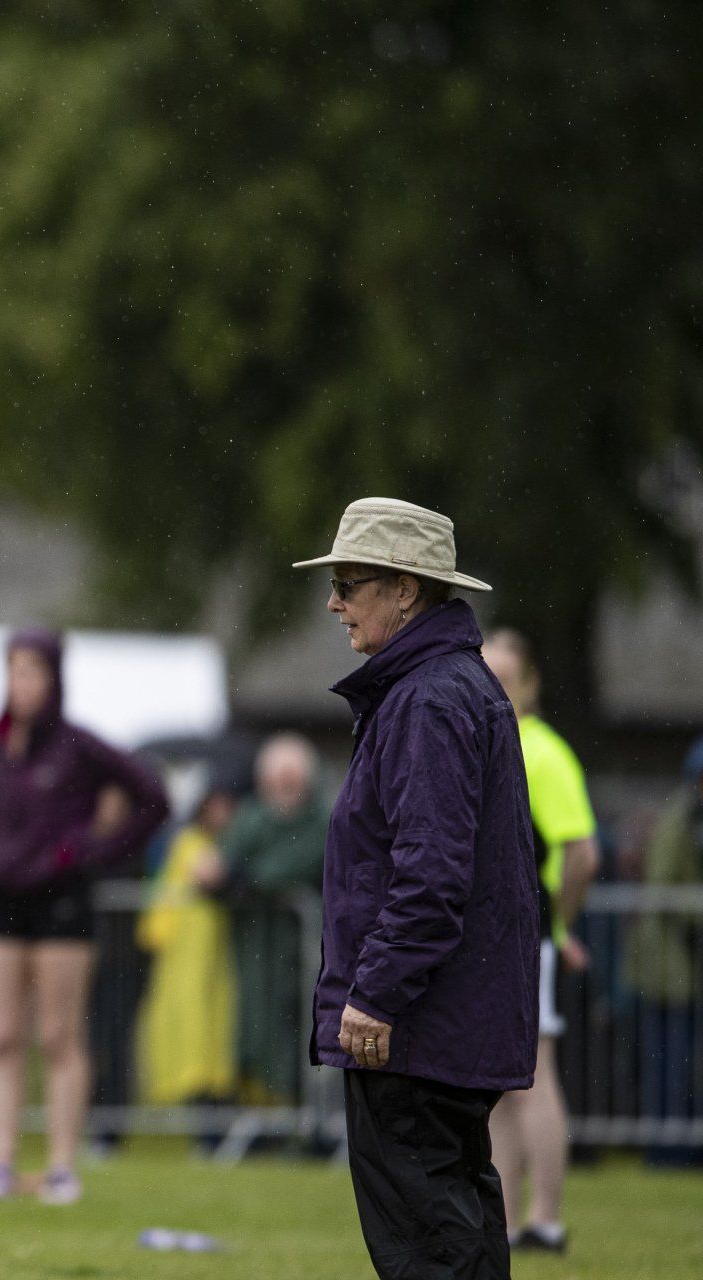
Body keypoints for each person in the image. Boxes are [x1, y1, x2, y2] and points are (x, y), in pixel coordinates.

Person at [294, 497, 537, 1280]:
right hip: (447, 1019)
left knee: (428, 1244)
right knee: (457, 1223)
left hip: (419, 1026)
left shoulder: (429, 698)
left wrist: (376, 993)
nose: (334, 603)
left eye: (348, 584)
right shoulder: (446, 687)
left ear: (405, 589)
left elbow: (431, 874)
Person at [0, 628, 168, 1205]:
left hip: (63, 903)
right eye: (14, 671)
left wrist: (91, 851)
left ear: (54, 678)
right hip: (2, 900)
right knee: (0, 1037)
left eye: (32, 671)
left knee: (59, 1037)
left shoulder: (79, 746)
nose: (22, 683)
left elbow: (153, 800)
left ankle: (61, 1167)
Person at [482, 629, 601, 1253]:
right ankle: (505, 1223)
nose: (493, 688)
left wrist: (558, 924)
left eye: (505, 677)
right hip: (507, 935)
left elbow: (582, 852)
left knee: (532, 1074)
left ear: (530, 685)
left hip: (526, 936)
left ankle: (545, 1220)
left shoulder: (542, 753)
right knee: (503, 1083)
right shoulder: (496, 741)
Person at [194, 734, 331, 1105]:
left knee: (306, 1028)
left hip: (308, 949)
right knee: (258, 1029)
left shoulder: (324, 817)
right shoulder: (252, 817)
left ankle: (309, 1114)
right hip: (255, 951)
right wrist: (222, 876)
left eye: (291, 779)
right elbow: (217, 866)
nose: (284, 788)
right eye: (277, 780)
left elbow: (294, 865)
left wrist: (241, 878)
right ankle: (274, 1110)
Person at [624, 734, 703, 1169]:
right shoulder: (680, 822)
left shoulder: (687, 817)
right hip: (667, 965)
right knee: (670, 1060)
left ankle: (674, 1146)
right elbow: (665, 889)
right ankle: (668, 1150)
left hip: (676, 962)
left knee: (674, 1058)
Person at [136, 785, 238, 1111]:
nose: (221, 815)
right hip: (188, 956)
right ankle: (201, 1110)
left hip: (214, 958)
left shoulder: (220, 845)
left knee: (212, 1034)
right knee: (192, 1034)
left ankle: (211, 1109)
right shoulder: (191, 845)